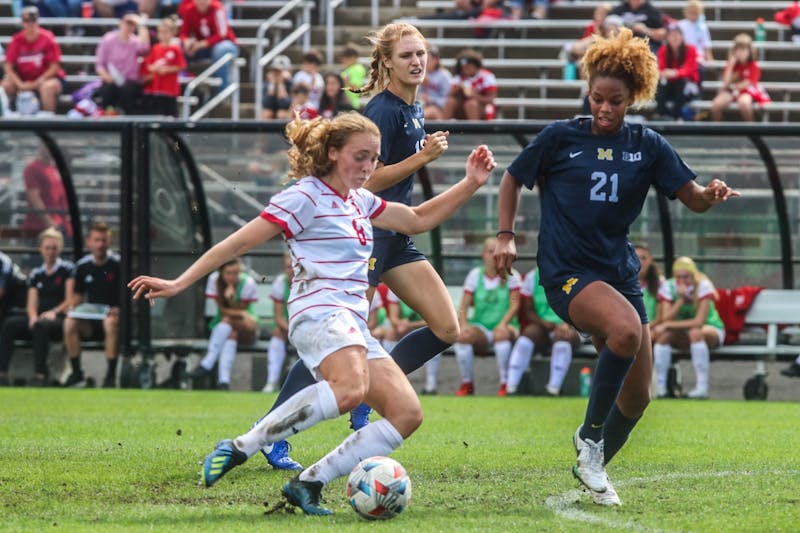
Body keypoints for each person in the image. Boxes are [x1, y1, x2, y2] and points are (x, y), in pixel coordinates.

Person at [128, 112, 496, 515]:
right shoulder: (304, 195)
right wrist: (180, 282)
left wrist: (470, 183)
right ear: (333, 152)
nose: (368, 166)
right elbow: (237, 244)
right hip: (318, 313)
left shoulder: (359, 199)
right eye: (360, 156)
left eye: (374, 158)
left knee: (407, 414)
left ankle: (308, 484)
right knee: (351, 390)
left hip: (350, 322)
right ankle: (243, 445)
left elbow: (417, 218)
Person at [494, 28, 739, 506]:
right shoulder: (559, 137)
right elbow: (512, 178)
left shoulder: (647, 144)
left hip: (619, 271)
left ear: (635, 98)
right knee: (626, 332)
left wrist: (709, 196)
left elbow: (691, 198)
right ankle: (589, 438)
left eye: (616, 101)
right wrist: (506, 236)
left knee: (637, 397)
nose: (605, 109)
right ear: (588, 92)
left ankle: (593, 467)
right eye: (597, 99)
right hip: (567, 268)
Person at [251, 22, 453, 469]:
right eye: (406, 56)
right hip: (367, 235)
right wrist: (422, 158)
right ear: (386, 62)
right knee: (335, 339)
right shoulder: (382, 110)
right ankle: (272, 433)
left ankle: (368, 397)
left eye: (421, 53)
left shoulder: (412, 109)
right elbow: (366, 179)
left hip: (396, 236)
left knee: (447, 328)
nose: (417, 61)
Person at [0, 228, 74, 387]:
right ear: (41, 249)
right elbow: (31, 303)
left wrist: (54, 312)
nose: (50, 252)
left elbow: (70, 300)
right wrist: (32, 316)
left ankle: (40, 374)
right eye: (47, 248)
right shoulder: (36, 273)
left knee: (41, 326)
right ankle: (2, 373)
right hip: (39, 317)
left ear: (60, 249)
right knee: (9, 324)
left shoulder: (67, 270)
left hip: (58, 318)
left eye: (54, 248)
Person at [453, 237, 521, 396]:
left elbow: (515, 305)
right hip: (481, 327)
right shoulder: (475, 275)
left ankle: (505, 384)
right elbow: (463, 306)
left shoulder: (512, 275)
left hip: (505, 327)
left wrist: (503, 324)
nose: (494, 256)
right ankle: (467, 384)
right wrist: (463, 326)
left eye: (497, 252)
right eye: (490, 252)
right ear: (483, 255)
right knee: (462, 337)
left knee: (501, 334)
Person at [652, 256, 724, 399]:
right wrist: (680, 300)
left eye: (686, 276)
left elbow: (698, 321)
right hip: (683, 332)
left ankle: (701, 388)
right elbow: (666, 317)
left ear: (693, 274)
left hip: (710, 329)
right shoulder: (668, 286)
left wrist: (667, 325)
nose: (683, 281)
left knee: (695, 333)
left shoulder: (703, 286)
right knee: (663, 337)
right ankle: (661, 389)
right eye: (679, 277)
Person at [506, 265, 582, 396]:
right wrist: (543, 323)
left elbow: (581, 306)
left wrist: (567, 323)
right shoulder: (532, 277)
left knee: (562, 337)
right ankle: (511, 388)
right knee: (527, 335)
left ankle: (553, 389)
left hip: (570, 326)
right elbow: (529, 311)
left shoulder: (573, 273)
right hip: (544, 326)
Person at [63, 221, 121, 388]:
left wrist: (119, 308)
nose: (100, 244)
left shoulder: (118, 264)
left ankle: (110, 376)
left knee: (110, 323)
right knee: (69, 323)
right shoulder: (82, 266)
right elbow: (77, 296)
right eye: (97, 240)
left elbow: (128, 294)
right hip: (89, 320)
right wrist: (72, 308)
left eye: (104, 240)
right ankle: (76, 373)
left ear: (109, 242)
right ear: (89, 242)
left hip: (112, 318)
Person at [188, 258, 258, 390]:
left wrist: (231, 301)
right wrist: (233, 305)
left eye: (236, 273)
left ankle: (208, 362)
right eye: (229, 273)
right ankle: (223, 381)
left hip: (247, 329)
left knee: (227, 321)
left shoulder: (248, 283)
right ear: (221, 272)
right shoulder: (214, 280)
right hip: (227, 328)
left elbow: (240, 311)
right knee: (231, 333)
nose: (233, 277)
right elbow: (224, 310)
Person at [2, 6, 64, 114]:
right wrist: (20, 84)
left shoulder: (48, 37)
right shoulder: (17, 40)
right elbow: (8, 66)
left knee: (48, 87)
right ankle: (6, 118)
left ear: (38, 21)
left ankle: (48, 122)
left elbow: (54, 66)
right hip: (23, 80)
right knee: (5, 86)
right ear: (22, 22)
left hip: (45, 79)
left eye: (33, 20)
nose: (30, 24)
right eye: (27, 21)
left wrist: (37, 82)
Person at [94, 11, 150, 115]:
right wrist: (107, 77)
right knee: (108, 90)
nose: (128, 27)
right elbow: (100, 64)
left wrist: (142, 25)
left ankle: (129, 119)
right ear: (120, 23)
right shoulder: (108, 39)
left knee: (128, 91)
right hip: (111, 81)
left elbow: (145, 48)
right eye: (127, 23)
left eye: (132, 24)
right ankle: (108, 117)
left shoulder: (135, 42)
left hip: (130, 83)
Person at [178, 0, 238, 93]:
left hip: (223, 44)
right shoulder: (189, 9)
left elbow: (222, 34)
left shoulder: (218, 8)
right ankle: (181, 88)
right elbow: (183, 33)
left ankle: (222, 93)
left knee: (221, 49)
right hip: (201, 47)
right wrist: (187, 42)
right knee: (178, 47)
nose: (202, 2)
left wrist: (201, 44)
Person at [710, 33, 771, 123]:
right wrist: (731, 65)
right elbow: (726, 83)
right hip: (731, 91)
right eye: (738, 49)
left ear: (749, 51)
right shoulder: (731, 65)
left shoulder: (753, 66)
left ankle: (751, 130)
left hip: (747, 91)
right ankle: (717, 130)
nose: (740, 52)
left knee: (744, 103)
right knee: (716, 104)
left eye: (743, 50)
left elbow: (747, 83)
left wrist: (733, 88)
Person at [139, 16, 185, 117]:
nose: (163, 35)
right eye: (161, 32)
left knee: (171, 112)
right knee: (158, 111)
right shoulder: (156, 48)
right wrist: (154, 68)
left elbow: (180, 66)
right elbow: (149, 65)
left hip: (170, 88)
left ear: (173, 33)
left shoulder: (175, 49)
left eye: (166, 32)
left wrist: (166, 70)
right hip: (158, 87)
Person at [23, 144, 70, 238]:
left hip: (58, 222)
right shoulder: (33, 168)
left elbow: (60, 195)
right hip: (41, 226)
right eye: (46, 146)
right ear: (41, 147)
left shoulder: (53, 168)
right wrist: (49, 222)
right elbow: (34, 198)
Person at [654, 24, 700, 120]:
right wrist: (665, 73)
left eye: (677, 34)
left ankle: (676, 115)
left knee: (681, 82)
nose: (675, 37)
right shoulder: (663, 50)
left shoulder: (691, 49)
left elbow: (690, 70)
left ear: (682, 36)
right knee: (660, 84)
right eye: (671, 35)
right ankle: (661, 114)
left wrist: (675, 73)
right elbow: (661, 69)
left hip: (688, 86)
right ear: (667, 38)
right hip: (670, 85)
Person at [261, 253, 292, 394]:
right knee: (277, 333)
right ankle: (271, 382)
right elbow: (278, 318)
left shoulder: (311, 282)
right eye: (288, 267)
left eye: (295, 266)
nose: (291, 270)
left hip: (311, 328)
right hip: (289, 329)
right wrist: (293, 332)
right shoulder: (281, 282)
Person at [442, 49, 497, 121]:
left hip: (482, 108)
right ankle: (443, 129)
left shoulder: (486, 77)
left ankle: (474, 129)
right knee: (450, 102)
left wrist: (475, 96)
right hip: (462, 110)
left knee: (470, 104)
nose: (465, 70)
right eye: (463, 68)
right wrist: (457, 89)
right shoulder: (459, 78)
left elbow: (491, 99)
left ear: (476, 66)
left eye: (468, 67)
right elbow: (449, 96)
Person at [634, 242, 663, 329]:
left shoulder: (661, 284)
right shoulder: (619, 284)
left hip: (651, 331)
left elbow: (659, 318)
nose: (639, 262)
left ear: (650, 260)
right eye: (636, 257)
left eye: (643, 258)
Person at [419, 45, 452, 120]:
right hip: (422, 106)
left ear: (436, 60)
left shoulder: (444, 75)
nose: (425, 62)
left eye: (428, 60)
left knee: (425, 113)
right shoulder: (419, 73)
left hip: (439, 110)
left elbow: (448, 100)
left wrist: (431, 100)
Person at [678, 0, 713, 67]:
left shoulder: (702, 27)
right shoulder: (681, 25)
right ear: (686, 12)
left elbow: (706, 45)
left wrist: (709, 59)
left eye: (696, 13)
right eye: (691, 13)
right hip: (684, 55)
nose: (693, 15)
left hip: (699, 57)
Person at [261, 54, 293, 120]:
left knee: (281, 114)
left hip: (287, 111)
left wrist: (280, 83)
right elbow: (266, 104)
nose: (276, 73)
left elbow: (285, 104)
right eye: (274, 70)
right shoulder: (268, 83)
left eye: (280, 71)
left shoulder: (291, 83)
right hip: (272, 110)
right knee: (266, 113)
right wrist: (272, 84)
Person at [338, 43, 366, 110]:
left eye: (346, 58)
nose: (343, 61)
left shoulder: (357, 69)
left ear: (354, 57)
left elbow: (356, 89)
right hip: (344, 103)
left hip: (350, 104)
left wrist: (345, 82)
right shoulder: (349, 69)